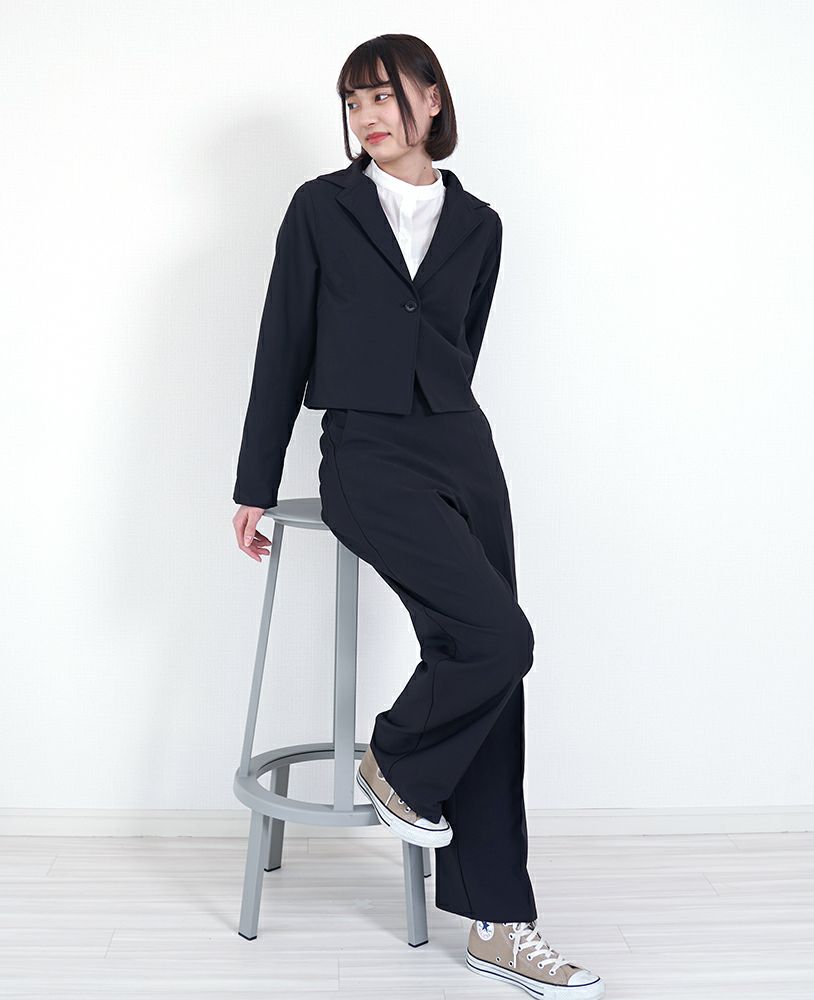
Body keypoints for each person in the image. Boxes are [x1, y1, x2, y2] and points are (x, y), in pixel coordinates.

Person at [231, 34, 604, 999]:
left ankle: (501, 923)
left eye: (383, 95)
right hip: (366, 451)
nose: (367, 115)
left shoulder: (479, 223)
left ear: (432, 99)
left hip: (463, 451)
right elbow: (282, 342)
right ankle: (392, 759)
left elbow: (460, 343)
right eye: (353, 101)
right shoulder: (321, 208)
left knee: (490, 670)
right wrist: (254, 481)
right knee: (500, 639)